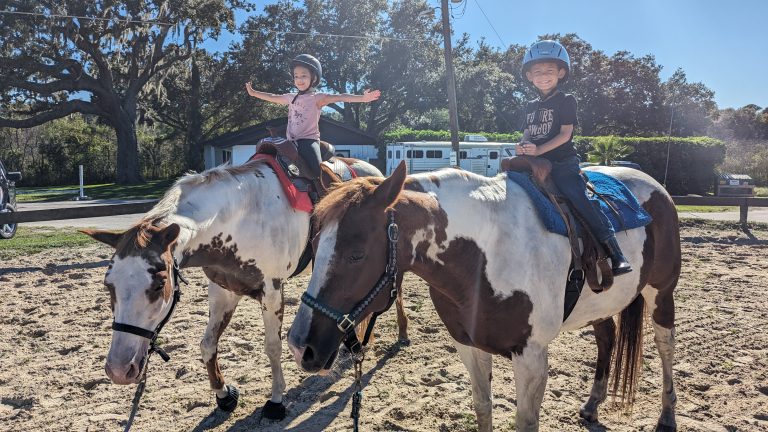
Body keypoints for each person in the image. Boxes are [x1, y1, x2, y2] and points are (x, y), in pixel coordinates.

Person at [517, 40, 632, 275]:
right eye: (537, 72)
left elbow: (565, 134)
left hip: (562, 163)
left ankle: (614, 252)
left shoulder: (566, 100)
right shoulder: (529, 106)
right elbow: (528, 132)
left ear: (561, 72)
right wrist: (524, 145)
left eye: (549, 71)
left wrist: (539, 150)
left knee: (579, 198)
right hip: (535, 163)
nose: (543, 76)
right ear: (529, 76)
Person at [245, 54, 380, 185]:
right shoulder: (290, 97)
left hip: (308, 140)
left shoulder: (317, 98)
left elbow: (341, 96)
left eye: (304, 75)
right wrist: (254, 93)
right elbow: (272, 97)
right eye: (296, 76)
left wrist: (362, 98)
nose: (299, 79)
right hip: (291, 141)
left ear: (314, 78)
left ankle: (327, 192)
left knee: (316, 171)